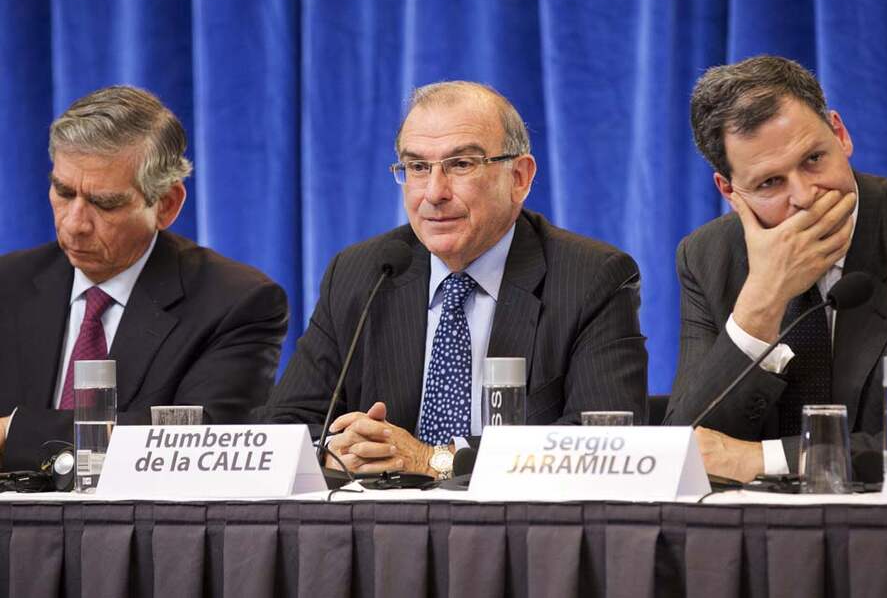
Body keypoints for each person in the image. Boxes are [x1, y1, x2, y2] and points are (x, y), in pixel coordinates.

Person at [263, 81, 647, 479]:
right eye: (417, 167)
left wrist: (436, 461)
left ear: (519, 177)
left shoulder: (591, 277)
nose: (434, 193)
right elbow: (287, 426)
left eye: (461, 164)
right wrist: (338, 449)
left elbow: (604, 440)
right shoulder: (363, 272)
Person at [0, 86, 288, 470]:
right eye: (63, 192)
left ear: (166, 205)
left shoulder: (237, 302)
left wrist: (11, 434)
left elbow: (196, 443)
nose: (74, 223)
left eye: (105, 202)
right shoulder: (8, 284)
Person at [665, 55, 887, 482]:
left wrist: (764, 460)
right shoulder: (707, 257)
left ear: (840, 134)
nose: (804, 195)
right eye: (770, 183)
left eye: (814, 159)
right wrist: (761, 302)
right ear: (730, 190)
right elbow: (686, 452)